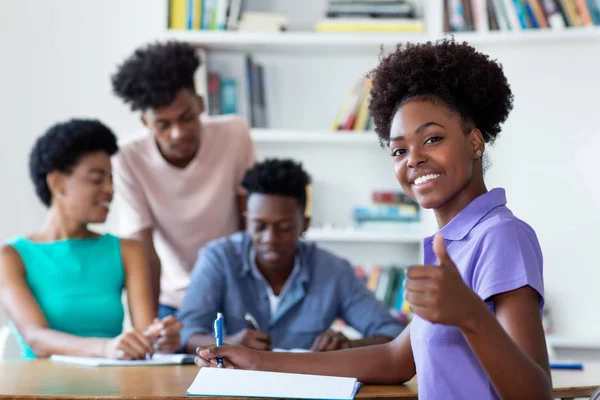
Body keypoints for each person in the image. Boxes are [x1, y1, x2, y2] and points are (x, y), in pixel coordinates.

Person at [196, 39, 552, 399]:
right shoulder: (453, 241)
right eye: (399, 149)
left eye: (432, 138)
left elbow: (537, 394)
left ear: (475, 142)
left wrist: (470, 316)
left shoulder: (501, 236)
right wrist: (258, 361)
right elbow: (395, 358)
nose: (413, 159)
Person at [178, 159, 403, 353]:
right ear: (246, 222)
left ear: (304, 225)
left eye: (284, 227)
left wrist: (348, 347)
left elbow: (392, 333)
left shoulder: (333, 271)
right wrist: (228, 343)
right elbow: (186, 332)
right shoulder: (218, 259)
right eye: (259, 226)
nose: (270, 238)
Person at [0, 119, 182, 360]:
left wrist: (159, 338)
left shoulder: (128, 250)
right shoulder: (12, 256)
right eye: (97, 179)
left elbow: (145, 333)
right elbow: (36, 338)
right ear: (56, 182)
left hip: (109, 390)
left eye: (110, 179)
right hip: (39, 390)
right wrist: (105, 348)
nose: (110, 189)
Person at [111, 41, 256, 318]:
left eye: (187, 117)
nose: (178, 133)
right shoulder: (128, 157)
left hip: (231, 293)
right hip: (171, 300)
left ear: (200, 104)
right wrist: (149, 329)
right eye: (163, 125)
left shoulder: (235, 134)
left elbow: (248, 223)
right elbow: (143, 251)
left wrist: (249, 300)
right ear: (145, 121)